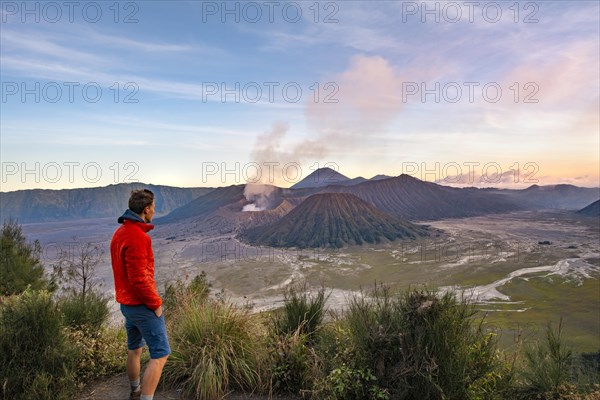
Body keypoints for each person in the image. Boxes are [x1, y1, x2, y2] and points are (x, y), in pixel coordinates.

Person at [110, 189, 170, 400]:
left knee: (134, 348)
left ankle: (135, 390)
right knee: (161, 354)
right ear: (146, 210)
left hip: (127, 306)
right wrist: (155, 303)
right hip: (141, 305)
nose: (155, 210)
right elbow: (138, 278)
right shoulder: (137, 237)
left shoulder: (120, 233)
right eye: (153, 207)